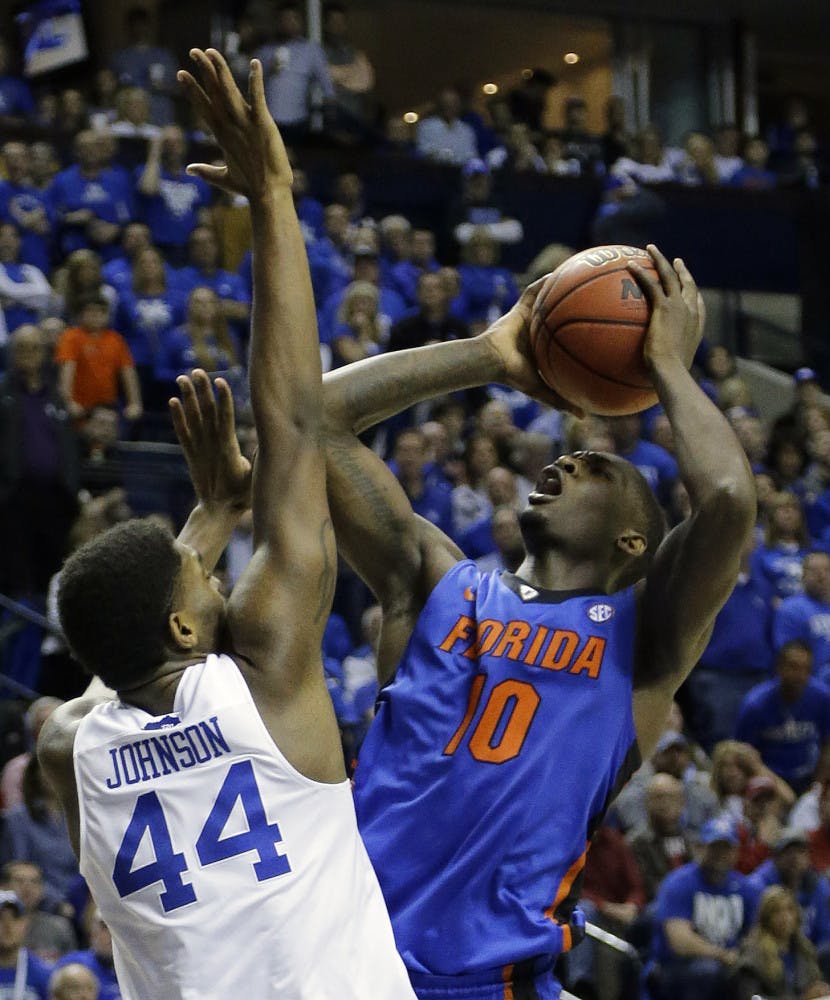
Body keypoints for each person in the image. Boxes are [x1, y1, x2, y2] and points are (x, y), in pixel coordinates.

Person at [36, 49, 413, 1000]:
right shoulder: (268, 686)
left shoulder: (67, 756)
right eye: (205, 581)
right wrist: (275, 199)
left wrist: (207, 520)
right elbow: (293, 425)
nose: (221, 580)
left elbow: (97, 682)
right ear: (183, 628)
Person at [319, 237, 756, 999]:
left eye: (596, 469)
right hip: (344, 964)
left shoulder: (642, 631)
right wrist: (489, 353)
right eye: (566, 460)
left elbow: (725, 498)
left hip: (496, 981)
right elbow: (314, 418)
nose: (561, 463)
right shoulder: (435, 582)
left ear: (634, 541)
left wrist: (667, 365)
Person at [0, 326, 79, 599]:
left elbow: (67, 445)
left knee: (53, 573)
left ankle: (50, 637)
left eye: (34, 348)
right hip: (14, 499)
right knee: (18, 578)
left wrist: (71, 485)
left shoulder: (55, 396)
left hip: (55, 499)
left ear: (45, 353)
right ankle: (22, 638)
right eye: (21, 347)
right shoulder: (3, 393)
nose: (28, 354)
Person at [650, 817, 756, 1000]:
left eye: (726, 848)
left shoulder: (745, 888)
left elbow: (757, 932)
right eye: (714, 847)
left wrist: (746, 953)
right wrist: (723, 955)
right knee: (707, 971)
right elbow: (680, 942)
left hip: (729, 963)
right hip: (677, 969)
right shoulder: (679, 883)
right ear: (700, 848)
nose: (720, 854)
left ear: (736, 852)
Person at [736, 640, 830, 795]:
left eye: (806, 669)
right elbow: (743, 754)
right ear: (779, 667)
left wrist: (817, 788)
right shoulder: (755, 705)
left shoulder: (822, 698)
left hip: (808, 777)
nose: (799, 675)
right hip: (766, 779)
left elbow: (827, 745)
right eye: (793, 667)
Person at [746, 828, 830, 963]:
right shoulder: (757, 886)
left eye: (800, 852)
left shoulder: (819, 886)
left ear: (808, 857)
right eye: (788, 852)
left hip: (807, 956)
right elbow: (756, 933)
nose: (795, 858)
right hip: (768, 954)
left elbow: (824, 934)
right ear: (775, 857)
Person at [731, 885, 828, 1000]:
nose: (785, 917)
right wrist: (802, 998)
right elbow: (751, 997)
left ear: (797, 915)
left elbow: (811, 987)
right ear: (766, 917)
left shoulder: (804, 949)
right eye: (777, 911)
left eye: (789, 909)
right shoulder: (752, 955)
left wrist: (820, 989)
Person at [55, 294, 143, 422]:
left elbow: (127, 371)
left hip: (107, 406)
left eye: (101, 311)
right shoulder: (71, 337)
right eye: (90, 311)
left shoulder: (115, 340)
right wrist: (68, 402)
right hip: (80, 407)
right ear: (80, 314)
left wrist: (134, 403)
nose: (95, 315)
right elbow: (67, 369)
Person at [254, 2, 335, 139]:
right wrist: (267, 69)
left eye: (293, 19)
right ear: (277, 22)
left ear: (300, 22)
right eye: (284, 19)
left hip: (299, 121)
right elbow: (246, 80)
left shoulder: (311, 51)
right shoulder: (264, 52)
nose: (288, 23)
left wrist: (330, 117)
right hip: (267, 121)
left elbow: (326, 85)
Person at [110, 7, 178, 126]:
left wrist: (163, 86)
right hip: (129, 122)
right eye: (134, 25)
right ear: (128, 28)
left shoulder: (164, 56)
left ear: (149, 26)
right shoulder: (119, 58)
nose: (138, 29)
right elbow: (111, 91)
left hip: (161, 116)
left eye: (142, 24)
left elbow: (179, 88)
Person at [774, 552, 830, 677]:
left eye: (827, 570)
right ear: (803, 575)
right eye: (815, 571)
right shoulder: (791, 609)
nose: (822, 576)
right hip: (809, 684)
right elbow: (790, 656)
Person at [0, 890, 51, 1000]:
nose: (8, 925)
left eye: (15, 917)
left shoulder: (43, 974)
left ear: (25, 924)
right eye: (1, 918)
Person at [416, 87, 479, 165]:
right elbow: (425, 152)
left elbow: (471, 155)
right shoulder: (426, 126)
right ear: (440, 105)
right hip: (436, 171)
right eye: (446, 103)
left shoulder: (466, 129)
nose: (450, 107)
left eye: (453, 103)